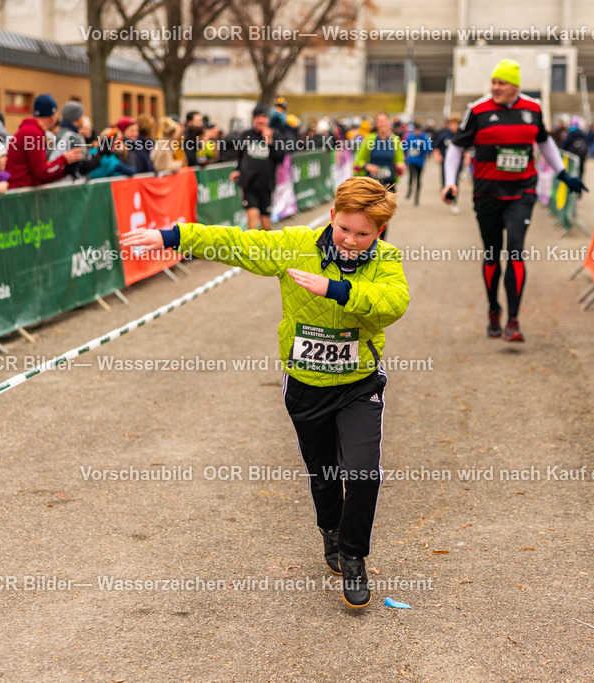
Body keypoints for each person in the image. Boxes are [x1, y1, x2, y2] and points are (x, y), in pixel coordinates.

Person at [121, 176, 409, 610]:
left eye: (363, 234)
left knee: (363, 472)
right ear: (331, 217)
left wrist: (337, 288)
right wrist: (172, 234)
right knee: (323, 471)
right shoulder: (294, 246)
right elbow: (236, 242)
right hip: (306, 385)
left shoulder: (386, 260)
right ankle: (330, 530)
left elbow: (393, 303)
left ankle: (353, 556)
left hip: (358, 383)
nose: (350, 240)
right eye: (344, 228)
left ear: (379, 233)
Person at [441, 58, 586, 343]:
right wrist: (450, 182)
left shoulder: (533, 109)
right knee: (493, 254)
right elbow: (456, 148)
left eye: (501, 83)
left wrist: (563, 174)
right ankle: (494, 309)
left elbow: (544, 142)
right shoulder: (477, 110)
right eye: (493, 82)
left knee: (516, 251)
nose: (495, 87)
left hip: (522, 192)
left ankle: (514, 320)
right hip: (487, 193)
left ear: (515, 86)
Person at [6, 94, 83, 188]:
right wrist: (64, 159)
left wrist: (65, 171)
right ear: (53, 116)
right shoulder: (33, 133)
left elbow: (40, 175)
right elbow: (42, 173)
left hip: (20, 189)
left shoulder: (31, 130)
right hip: (20, 192)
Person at [229, 104, 286, 230]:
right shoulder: (246, 135)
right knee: (252, 220)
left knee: (266, 225)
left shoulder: (276, 135)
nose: (261, 120)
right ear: (254, 119)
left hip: (266, 184)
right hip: (249, 183)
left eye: (264, 117)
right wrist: (238, 171)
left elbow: (280, 158)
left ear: (268, 119)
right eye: (258, 117)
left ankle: (267, 249)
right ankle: (251, 249)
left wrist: (270, 142)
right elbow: (241, 155)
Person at [433, 115, 463, 214]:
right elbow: (436, 146)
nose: (453, 126)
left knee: (455, 182)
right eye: (451, 124)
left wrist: (467, 157)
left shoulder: (461, 135)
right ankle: (446, 194)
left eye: (455, 124)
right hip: (445, 162)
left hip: (458, 163)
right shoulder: (444, 134)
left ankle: (454, 202)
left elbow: (466, 149)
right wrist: (437, 155)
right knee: (445, 180)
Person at [403, 122, 432, 206]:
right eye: (416, 130)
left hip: (420, 162)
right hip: (412, 161)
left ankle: (417, 198)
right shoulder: (410, 137)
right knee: (412, 177)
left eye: (418, 130)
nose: (417, 132)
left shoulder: (424, 137)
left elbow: (428, 149)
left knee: (419, 179)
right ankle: (410, 190)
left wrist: (423, 142)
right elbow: (405, 147)